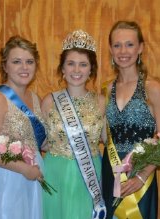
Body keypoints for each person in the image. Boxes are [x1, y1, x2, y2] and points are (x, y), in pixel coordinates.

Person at [102, 21, 160, 219]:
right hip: (111, 172)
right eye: (117, 45)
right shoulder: (106, 90)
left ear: (140, 47)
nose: (123, 51)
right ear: (110, 49)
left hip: (141, 175)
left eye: (129, 44)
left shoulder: (152, 88)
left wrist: (142, 175)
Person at [0, 36, 46, 219]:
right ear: (5, 66)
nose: (24, 67)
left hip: (33, 174)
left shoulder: (35, 98)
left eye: (29, 62)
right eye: (17, 62)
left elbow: (39, 141)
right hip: (7, 177)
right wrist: (23, 169)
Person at [41, 30, 107, 219]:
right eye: (70, 64)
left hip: (89, 174)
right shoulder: (49, 101)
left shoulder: (102, 102)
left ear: (91, 70)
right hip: (55, 172)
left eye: (83, 64)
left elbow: (107, 140)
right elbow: (40, 140)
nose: (76, 70)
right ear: (62, 68)